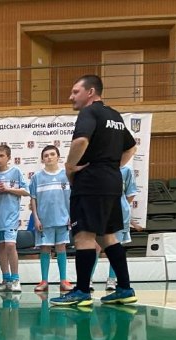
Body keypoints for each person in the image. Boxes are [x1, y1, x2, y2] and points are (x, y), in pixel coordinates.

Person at [51, 75, 137, 308]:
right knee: (107, 236)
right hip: (111, 182)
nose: (71, 97)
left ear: (90, 92)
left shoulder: (89, 112)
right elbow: (131, 147)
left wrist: (70, 166)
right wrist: (111, 166)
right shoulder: (115, 116)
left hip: (90, 183)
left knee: (83, 236)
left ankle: (81, 291)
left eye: (75, 92)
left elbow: (80, 141)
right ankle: (124, 288)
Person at [29, 145, 72, 293]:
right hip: (44, 221)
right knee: (45, 249)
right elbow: (33, 199)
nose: (49, 157)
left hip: (62, 219)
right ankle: (44, 281)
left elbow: (71, 198)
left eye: (52, 154)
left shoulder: (66, 175)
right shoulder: (36, 177)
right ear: (42, 159)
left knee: (61, 248)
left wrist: (71, 216)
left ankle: (63, 280)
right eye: (46, 155)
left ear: (58, 157)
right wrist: (36, 218)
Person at [0, 144, 28, 293]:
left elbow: (26, 191)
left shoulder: (16, 172)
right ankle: (6, 279)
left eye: (1, 156)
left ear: (9, 158)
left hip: (11, 217)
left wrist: (7, 189)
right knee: (0, 247)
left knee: (10, 245)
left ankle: (16, 279)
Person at [106, 165, 138, 290]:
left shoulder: (126, 170)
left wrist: (120, 205)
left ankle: (112, 279)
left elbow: (130, 193)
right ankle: (88, 281)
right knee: (95, 246)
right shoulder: (99, 168)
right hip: (100, 211)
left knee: (115, 245)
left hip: (119, 213)